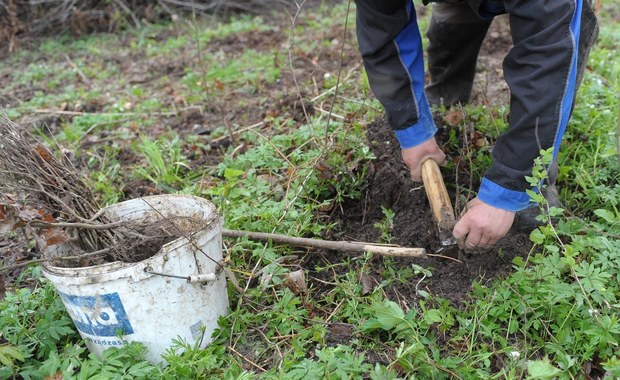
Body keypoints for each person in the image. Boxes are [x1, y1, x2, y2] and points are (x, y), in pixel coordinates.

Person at [354, 0, 599, 249]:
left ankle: (537, 178)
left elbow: (547, 64)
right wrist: (413, 129)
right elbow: (384, 32)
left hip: (550, 13)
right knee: (454, 19)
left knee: (566, 46)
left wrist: (509, 188)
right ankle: (445, 101)